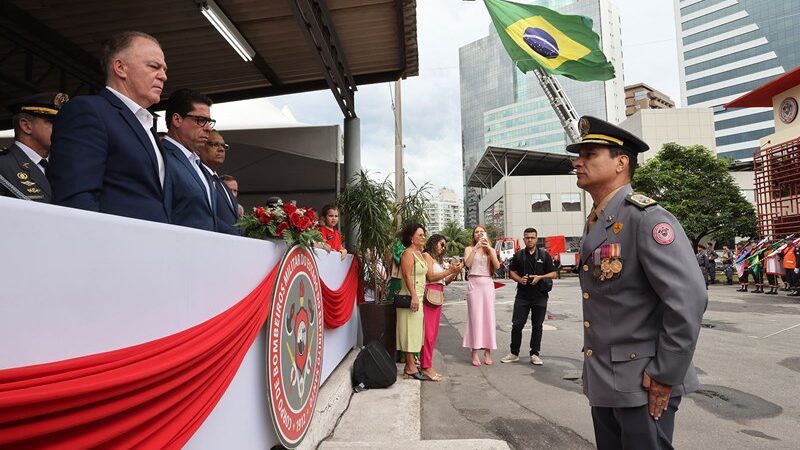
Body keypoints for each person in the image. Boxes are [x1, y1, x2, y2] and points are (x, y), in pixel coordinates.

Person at [568, 115, 706, 449]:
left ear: (621, 162)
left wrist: (664, 373)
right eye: (579, 155)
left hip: (644, 382)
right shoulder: (599, 222)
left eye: (589, 154)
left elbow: (688, 299)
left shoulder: (646, 218)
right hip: (606, 380)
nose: (578, 162)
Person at [49, 31, 170, 223]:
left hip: (153, 245)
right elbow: (76, 198)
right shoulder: (88, 111)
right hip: (113, 247)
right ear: (120, 68)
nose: (163, 76)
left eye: (164, 69)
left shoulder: (146, 125)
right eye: (154, 66)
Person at [161, 88, 218, 232]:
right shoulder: (161, 156)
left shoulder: (198, 164)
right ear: (177, 120)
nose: (208, 128)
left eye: (209, 122)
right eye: (200, 120)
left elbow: (207, 219)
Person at [501, 227, 556, 365]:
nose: (530, 240)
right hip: (522, 295)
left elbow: (553, 274)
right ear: (524, 239)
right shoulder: (519, 255)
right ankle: (514, 353)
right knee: (517, 324)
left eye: (532, 237)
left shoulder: (544, 255)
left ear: (537, 239)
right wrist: (520, 280)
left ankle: (535, 353)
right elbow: (512, 272)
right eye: (527, 237)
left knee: (537, 325)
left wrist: (540, 277)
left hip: (540, 295)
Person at [0, 92, 69, 202]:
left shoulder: (63, 166)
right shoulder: (4, 166)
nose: (62, 129)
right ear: (26, 126)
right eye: (53, 122)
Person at [420, 234, 461, 381]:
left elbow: (445, 280)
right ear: (434, 243)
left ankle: (427, 364)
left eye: (445, 246)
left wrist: (454, 272)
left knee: (432, 333)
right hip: (430, 294)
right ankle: (426, 366)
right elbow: (430, 277)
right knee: (428, 334)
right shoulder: (426, 256)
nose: (443, 248)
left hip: (437, 294)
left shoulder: (438, 261)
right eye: (441, 244)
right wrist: (449, 271)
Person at [463, 225, 500, 366]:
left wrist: (490, 250)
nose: (479, 234)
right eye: (476, 232)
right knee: (475, 318)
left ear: (486, 234)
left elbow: (496, 266)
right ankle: (474, 351)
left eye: (481, 232)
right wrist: (476, 247)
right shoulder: (469, 248)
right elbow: (467, 263)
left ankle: (488, 351)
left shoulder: (490, 250)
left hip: (488, 284)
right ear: (473, 235)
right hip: (474, 283)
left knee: (488, 318)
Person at [397, 223, 428, 380]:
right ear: (411, 237)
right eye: (420, 235)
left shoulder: (419, 253)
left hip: (419, 296)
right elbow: (407, 275)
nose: (423, 237)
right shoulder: (407, 253)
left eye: (424, 234)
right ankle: (409, 366)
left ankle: (411, 364)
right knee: (409, 331)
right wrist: (414, 296)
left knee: (415, 332)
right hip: (411, 297)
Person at [198, 130, 240, 234]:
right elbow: (206, 215)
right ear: (200, 147)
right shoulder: (199, 177)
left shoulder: (222, 184)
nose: (221, 149)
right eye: (214, 144)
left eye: (223, 146)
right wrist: (234, 235)